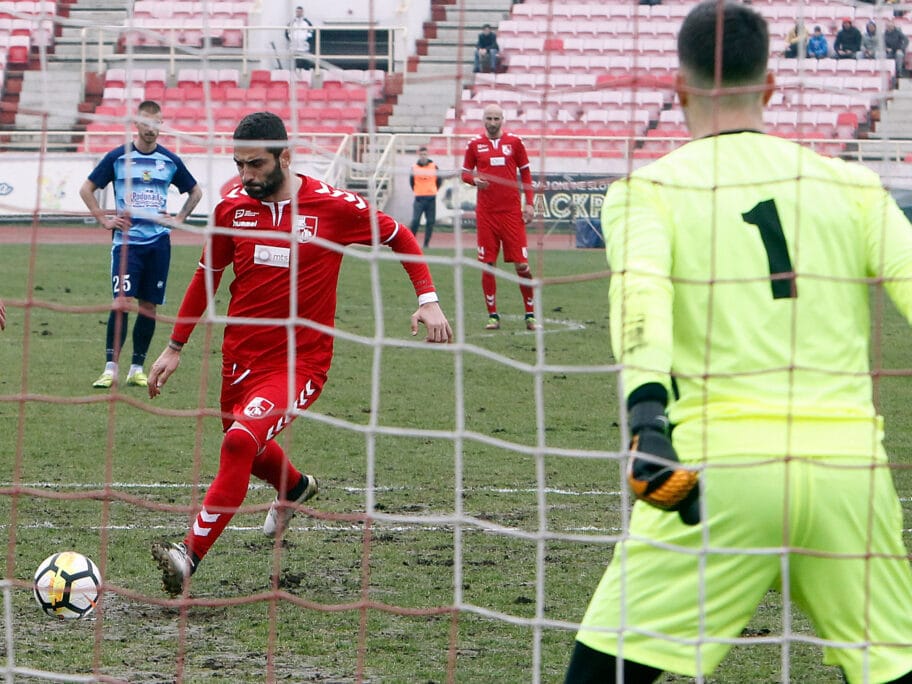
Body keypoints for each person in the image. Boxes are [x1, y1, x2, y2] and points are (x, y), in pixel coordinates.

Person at [565, 2, 912, 683]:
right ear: (771, 88)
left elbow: (642, 302)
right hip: (851, 479)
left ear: (680, 89)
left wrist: (645, 422)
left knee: (596, 676)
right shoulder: (855, 187)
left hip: (714, 476)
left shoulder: (649, 190)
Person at [147, 111, 453, 596]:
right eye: (238, 164)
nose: (245, 175)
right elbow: (207, 277)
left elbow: (398, 234)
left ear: (285, 158)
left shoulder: (331, 206)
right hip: (240, 357)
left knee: (239, 443)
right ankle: (293, 488)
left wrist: (427, 298)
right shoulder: (231, 210)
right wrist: (175, 346)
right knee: (243, 441)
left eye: (255, 165)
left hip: (299, 362)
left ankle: (187, 557)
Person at [79, 100, 202, 389]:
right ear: (136, 124)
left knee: (148, 307)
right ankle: (110, 368)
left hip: (158, 243)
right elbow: (86, 189)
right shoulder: (117, 158)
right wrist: (104, 220)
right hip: (127, 244)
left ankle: (137, 368)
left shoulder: (170, 161)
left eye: (157, 124)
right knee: (121, 303)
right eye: (147, 124)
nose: (152, 130)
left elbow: (195, 192)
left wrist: (179, 218)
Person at [460, 104, 537, 331]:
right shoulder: (474, 145)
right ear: (483, 120)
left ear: (502, 120)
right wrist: (475, 181)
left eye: (496, 118)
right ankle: (493, 316)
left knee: (522, 265)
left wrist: (529, 203)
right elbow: (465, 173)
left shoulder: (515, 143)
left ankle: (530, 314)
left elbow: (526, 173)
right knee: (488, 265)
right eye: (489, 118)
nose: (492, 122)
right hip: (486, 214)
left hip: (512, 213)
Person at [409, 145, 442, 249]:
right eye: (421, 154)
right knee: (415, 221)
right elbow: (411, 182)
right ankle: (411, 241)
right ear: (419, 155)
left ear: (427, 155)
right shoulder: (414, 167)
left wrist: (433, 190)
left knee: (430, 222)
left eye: (425, 154)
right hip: (419, 198)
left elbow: (439, 180)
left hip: (431, 198)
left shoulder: (434, 166)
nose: (423, 156)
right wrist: (418, 190)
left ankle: (426, 244)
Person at [285, 5, 315, 71]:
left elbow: (312, 33)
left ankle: (305, 78)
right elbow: (287, 33)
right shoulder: (291, 23)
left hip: (304, 48)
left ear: (302, 12)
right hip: (294, 48)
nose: (298, 13)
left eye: (300, 12)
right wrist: (292, 39)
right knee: (295, 66)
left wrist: (305, 40)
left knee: (305, 65)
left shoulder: (307, 23)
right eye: (297, 12)